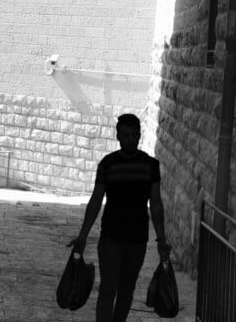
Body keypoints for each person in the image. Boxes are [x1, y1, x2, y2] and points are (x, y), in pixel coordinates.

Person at [69, 113, 171, 322]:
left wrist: (161, 239)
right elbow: (96, 201)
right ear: (117, 136)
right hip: (110, 239)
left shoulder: (151, 166)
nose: (130, 140)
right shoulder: (107, 165)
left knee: (126, 291)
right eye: (125, 135)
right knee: (108, 290)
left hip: (137, 240)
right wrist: (82, 236)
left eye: (134, 135)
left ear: (139, 136)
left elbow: (156, 203)